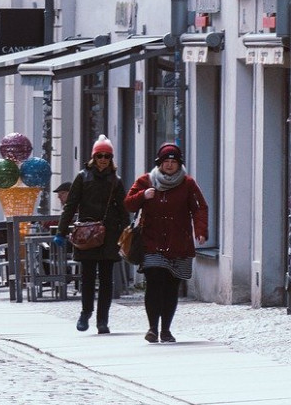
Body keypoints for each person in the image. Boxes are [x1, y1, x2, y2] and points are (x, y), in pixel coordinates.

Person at [123, 143, 208, 344]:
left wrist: (201, 231)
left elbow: (199, 208)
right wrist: (143, 195)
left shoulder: (188, 184)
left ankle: (166, 330)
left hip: (179, 242)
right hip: (152, 240)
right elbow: (128, 203)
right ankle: (152, 328)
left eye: (174, 162)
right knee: (154, 282)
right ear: (159, 163)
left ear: (180, 164)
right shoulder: (146, 181)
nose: (169, 165)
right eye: (166, 162)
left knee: (171, 286)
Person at [53, 136, 128, 334]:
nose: (103, 159)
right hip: (86, 234)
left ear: (111, 158)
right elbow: (71, 205)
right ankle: (85, 313)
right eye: (100, 155)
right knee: (86, 277)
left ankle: (102, 320)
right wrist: (61, 231)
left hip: (109, 234)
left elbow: (123, 209)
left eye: (107, 156)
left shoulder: (116, 181)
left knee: (106, 279)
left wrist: (127, 235)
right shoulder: (82, 177)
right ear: (94, 157)